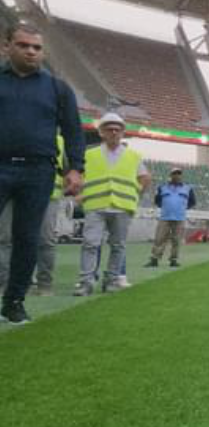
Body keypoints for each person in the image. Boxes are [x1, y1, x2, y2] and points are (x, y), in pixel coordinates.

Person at [0, 22, 85, 323]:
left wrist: (75, 168)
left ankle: (13, 302)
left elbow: (74, 132)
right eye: (23, 45)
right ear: (6, 46)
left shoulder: (58, 88)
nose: (31, 52)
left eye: (37, 47)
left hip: (38, 172)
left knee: (27, 238)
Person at [74, 113, 150, 296]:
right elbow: (78, 177)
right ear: (101, 132)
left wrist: (135, 194)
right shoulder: (89, 154)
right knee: (90, 244)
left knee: (118, 246)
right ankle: (86, 282)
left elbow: (145, 178)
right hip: (96, 206)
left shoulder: (134, 156)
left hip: (122, 207)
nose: (114, 132)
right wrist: (79, 194)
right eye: (109, 128)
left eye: (117, 129)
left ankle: (111, 280)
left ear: (123, 132)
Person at [0, 135, 67, 296]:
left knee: (45, 239)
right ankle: (6, 283)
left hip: (46, 193)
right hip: (8, 191)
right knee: (5, 238)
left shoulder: (59, 140)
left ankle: (44, 284)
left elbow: (68, 169)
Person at [146, 168, 196, 268]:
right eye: (175, 174)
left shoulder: (188, 188)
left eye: (179, 174)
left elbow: (192, 202)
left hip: (180, 218)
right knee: (159, 238)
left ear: (181, 176)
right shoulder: (162, 188)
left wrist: (182, 208)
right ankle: (154, 259)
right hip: (165, 217)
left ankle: (174, 260)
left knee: (177, 240)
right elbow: (157, 201)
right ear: (171, 176)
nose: (177, 176)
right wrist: (167, 207)